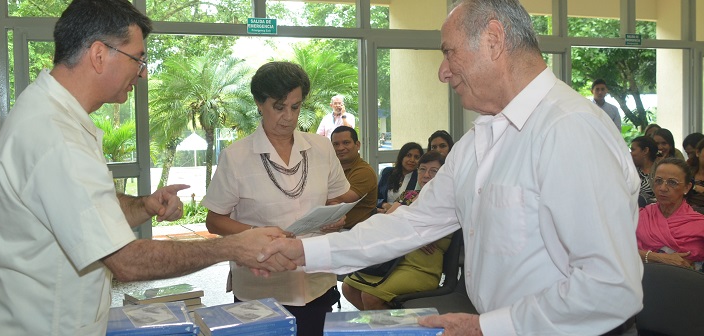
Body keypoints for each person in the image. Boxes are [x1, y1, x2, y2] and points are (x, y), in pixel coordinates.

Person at [257, 0, 643, 334]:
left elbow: (610, 287)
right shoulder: (480, 139)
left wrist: (485, 328)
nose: (443, 71)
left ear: (493, 39)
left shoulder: (568, 129)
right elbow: (412, 222)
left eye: (449, 52)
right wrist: (303, 253)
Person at [0, 1, 282, 334]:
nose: (143, 72)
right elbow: (127, 262)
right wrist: (233, 247)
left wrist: (141, 206)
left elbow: (85, 208)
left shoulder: (55, 116)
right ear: (99, 55)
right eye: (138, 59)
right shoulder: (54, 135)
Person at [201, 61, 351, 336]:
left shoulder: (320, 147)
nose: (288, 117)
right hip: (262, 285)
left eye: (296, 107)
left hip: (316, 279)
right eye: (279, 107)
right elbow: (215, 220)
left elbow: (337, 199)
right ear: (260, 103)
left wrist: (337, 217)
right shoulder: (236, 156)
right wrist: (258, 234)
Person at [342, 151, 452, 310]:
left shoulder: (447, 202)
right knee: (348, 288)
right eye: (422, 169)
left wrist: (404, 226)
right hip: (393, 260)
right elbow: (387, 224)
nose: (426, 175)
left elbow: (427, 233)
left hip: (421, 268)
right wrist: (412, 234)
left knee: (371, 296)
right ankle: (384, 325)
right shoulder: (409, 195)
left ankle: (390, 328)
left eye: (433, 171)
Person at [637, 157, 704, 271]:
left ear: (687, 188)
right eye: (658, 181)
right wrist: (660, 257)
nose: (662, 188)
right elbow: (621, 251)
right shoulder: (641, 216)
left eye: (672, 182)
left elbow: (686, 264)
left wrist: (642, 255)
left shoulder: (699, 225)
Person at [331, 125, 378, 229]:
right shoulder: (331, 168)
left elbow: (342, 199)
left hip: (356, 232)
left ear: (357, 145)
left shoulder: (364, 171)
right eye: (336, 144)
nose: (340, 148)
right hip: (333, 230)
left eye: (346, 143)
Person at [376, 142, 422, 213]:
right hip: (382, 212)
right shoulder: (387, 172)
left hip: (404, 215)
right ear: (401, 157)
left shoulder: (420, 178)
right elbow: (375, 197)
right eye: (408, 155)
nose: (412, 160)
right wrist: (384, 204)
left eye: (416, 157)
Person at [630, 135, 658, 205]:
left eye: (633, 150)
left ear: (645, 151)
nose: (630, 154)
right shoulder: (631, 172)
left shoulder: (661, 172)